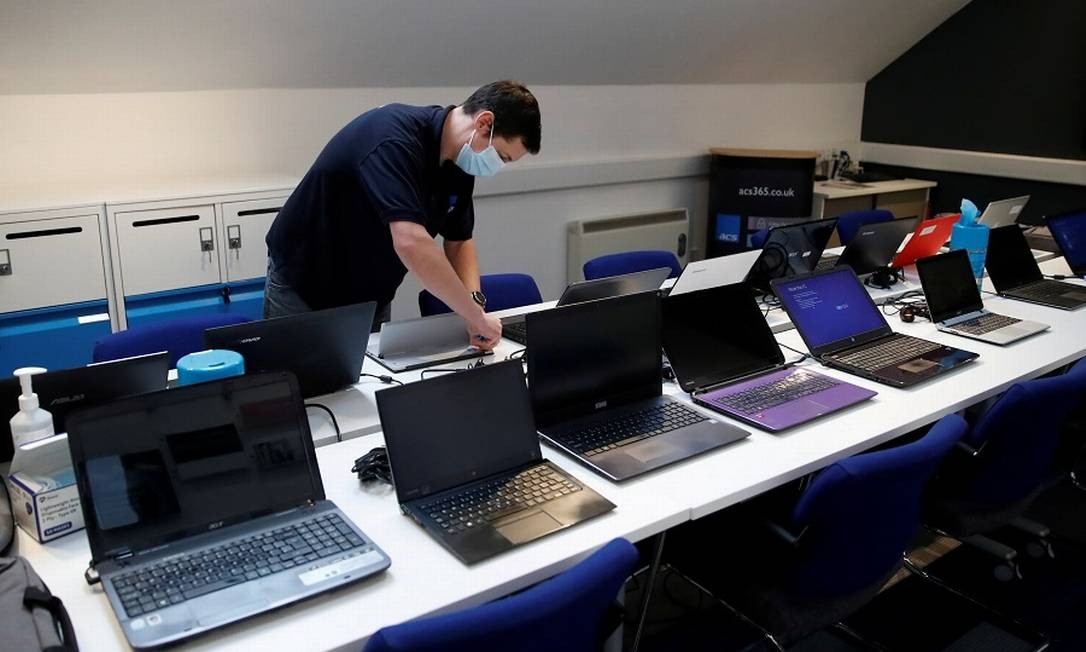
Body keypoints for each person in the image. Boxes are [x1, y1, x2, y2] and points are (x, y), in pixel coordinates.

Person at [263, 80, 541, 349]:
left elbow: (459, 241)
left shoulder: (460, 161)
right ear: (484, 123)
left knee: (365, 376)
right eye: (501, 156)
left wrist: (474, 305)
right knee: (298, 376)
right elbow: (410, 241)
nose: (497, 166)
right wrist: (474, 317)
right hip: (305, 283)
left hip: (371, 296)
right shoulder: (393, 139)